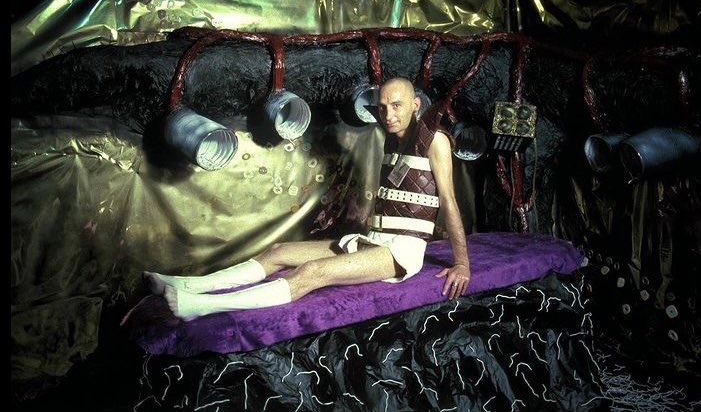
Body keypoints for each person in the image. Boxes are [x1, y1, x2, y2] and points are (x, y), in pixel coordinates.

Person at [144, 77, 470, 321]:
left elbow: (449, 202)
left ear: (415, 105)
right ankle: (188, 285)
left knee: (313, 271)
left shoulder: (435, 140)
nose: (389, 115)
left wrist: (462, 264)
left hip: (402, 252)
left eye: (397, 106)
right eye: (383, 107)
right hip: (373, 239)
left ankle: (201, 306)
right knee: (278, 251)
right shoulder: (392, 139)